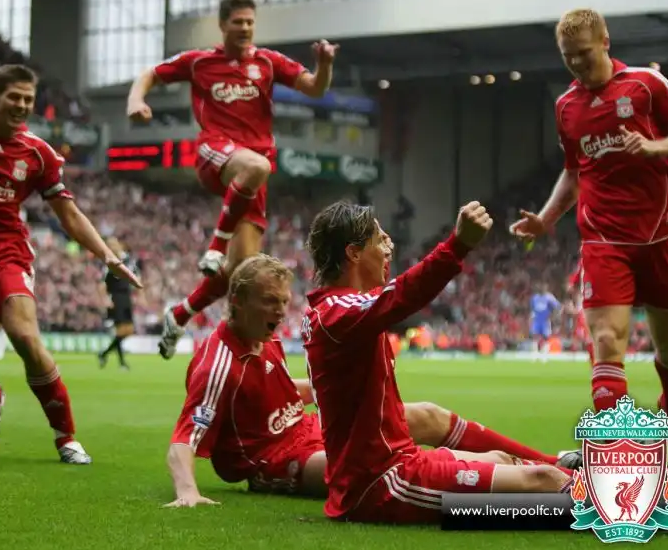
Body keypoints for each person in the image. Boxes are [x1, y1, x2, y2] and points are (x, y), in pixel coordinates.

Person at [165, 254, 581, 507]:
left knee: (427, 415)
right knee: (356, 467)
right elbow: (184, 439)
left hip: (309, 428)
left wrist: (338, 389)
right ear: (237, 301)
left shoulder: (264, 339)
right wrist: (187, 491)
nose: (278, 311)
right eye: (268, 302)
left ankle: (551, 461)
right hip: (276, 460)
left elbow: (283, 391)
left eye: (283, 302)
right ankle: (489, 472)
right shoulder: (217, 362)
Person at [300, 200, 573, 525]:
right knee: (544, 481)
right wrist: (458, 245)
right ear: (354, 253)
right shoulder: (337, 312)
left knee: (502, 459)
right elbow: (402, 295)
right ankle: (620, 503)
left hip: (397, 462)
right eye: (380, 239)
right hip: (383, 483)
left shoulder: (334, 310)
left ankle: (589, 483)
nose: (389, 245)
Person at [508, 8, 668, 453]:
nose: (576, 64)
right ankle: (617, 456)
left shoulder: (645, 84)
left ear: (605, 42)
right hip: (603, 239)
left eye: (583, 53)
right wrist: (545, 219)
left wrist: (657, 147)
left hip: (662, 235)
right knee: (606, 341)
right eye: (567, 56)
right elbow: (574, 172)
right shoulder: (566, 107)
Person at [126, 0, 338, 360]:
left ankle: (180, 315)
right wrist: (136, 101)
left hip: (252, 174)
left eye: (249, 22)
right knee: (257, 167)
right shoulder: (200, 62)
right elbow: (151, 75)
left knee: (243, 272)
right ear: (223, 25)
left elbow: (315, 88)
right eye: (238, 22)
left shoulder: (268, 62)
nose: (244, 28)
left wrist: (324, 64)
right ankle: (215, 246)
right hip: (217, 153)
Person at [0, 65, 142, 464]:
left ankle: (66, 438)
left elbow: (69, 214)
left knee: (25, 337)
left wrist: (108, 255)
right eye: (14, 97)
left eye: (28, 99)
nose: (22, 105)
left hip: (7, 253)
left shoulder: (38, 153)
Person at [97, 237, 141, 371]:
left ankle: (104, 353)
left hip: (126, 296)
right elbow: (102, 285)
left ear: (119, 245)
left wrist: (138, 293)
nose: (112, 247)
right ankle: (122, 363)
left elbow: (136, 274)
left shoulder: (127, 260)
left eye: (114, 244)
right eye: (109, 245)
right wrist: (106, 300)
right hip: (116, 297)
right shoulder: (108, 263)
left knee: (129, 330)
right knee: (121, 330)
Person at [529, 282, 561, 361]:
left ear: (546, 288)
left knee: (546, 338)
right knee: (535, 337)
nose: (542, 288)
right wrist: (531, 317)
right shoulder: (535, 297)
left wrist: (553, 316)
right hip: (537, 320)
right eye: (541, 287)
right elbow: (532, 308)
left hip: (545, 321)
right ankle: (535, 355)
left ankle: (544, 356)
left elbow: (557, 306)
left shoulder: (549, 297)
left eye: (544, 287)